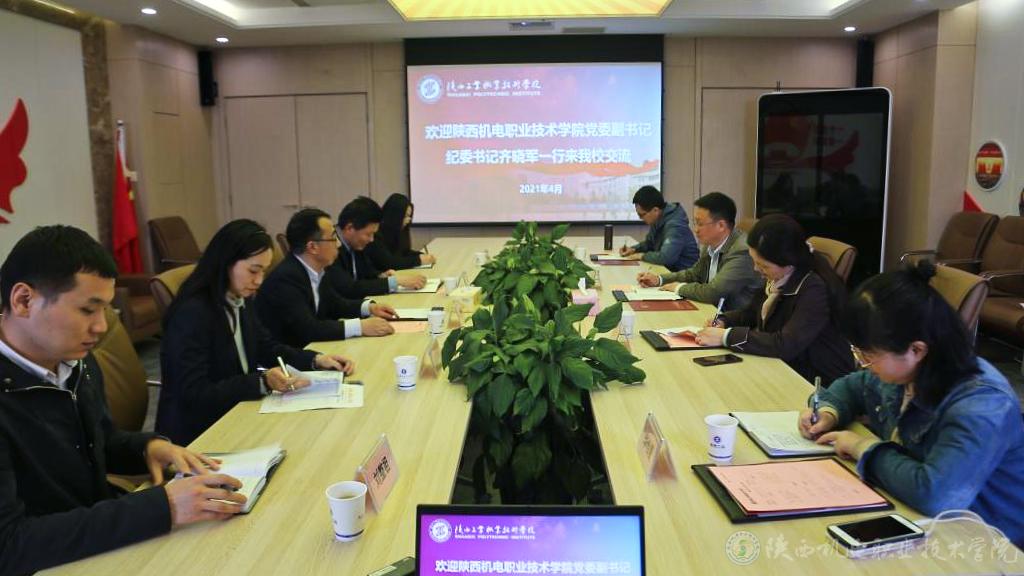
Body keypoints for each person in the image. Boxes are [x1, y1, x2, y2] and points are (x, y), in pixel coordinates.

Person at [0, 225, 248, 575]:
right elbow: (10, 546)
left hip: (96, 544)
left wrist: (148, 448)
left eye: (106, 310)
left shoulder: (75, 361)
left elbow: (98, 441)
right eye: (87, 310)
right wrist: (163, 507)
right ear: (24, 300)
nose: (102, 327)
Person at [799, 261, 1024, 546]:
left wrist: (862, 447)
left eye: (868, 355)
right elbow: (854, 386)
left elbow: (935, 494)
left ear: (916, 349)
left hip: (986, 541)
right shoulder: (908, 370)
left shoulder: (981, 404)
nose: (862, 363)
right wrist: (829, 411)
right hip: (917, 517)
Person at [157, 219, 354, 446]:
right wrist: (261, 382)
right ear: (226, 262)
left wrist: (315, 360)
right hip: (199, 435)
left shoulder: (238, 297)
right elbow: (194, 393)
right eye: (253, 270)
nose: (259, 281)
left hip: (236, 412)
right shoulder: (192, 313)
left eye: (263, 271)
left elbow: (265, 347)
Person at [695, 214, 854, 384]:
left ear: (788, 262)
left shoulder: (814, 289)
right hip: (782, 366)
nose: (756, 269)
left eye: (763, 265)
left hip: (814, 380)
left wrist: (726, 337)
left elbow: (785, 344)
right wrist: (724, 320)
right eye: (755, 261)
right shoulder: (780, 276)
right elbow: (752, 312)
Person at [257, 208, 397, 348]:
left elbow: (335, 304)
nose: (338, 244)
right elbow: (308, 329)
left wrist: (370, 308)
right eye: (333, 238)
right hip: (291, 355)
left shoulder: (317, 270)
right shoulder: (286, 279)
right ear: (313, 247)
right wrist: (359, 327)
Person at [636, 192, 760, 311]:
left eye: (700, 224)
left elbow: (714, 291)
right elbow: (694, 274)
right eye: (695, 223)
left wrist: (678, 288)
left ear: (721, 226)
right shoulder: (711, 244)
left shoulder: (742, 252)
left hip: (731, 319)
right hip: (710, 311)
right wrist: (659, 279)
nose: (695, 229)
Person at [326, 196, 427, 299]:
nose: (371, 240)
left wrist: (380, 275)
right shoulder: (329, 248)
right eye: (368, 234)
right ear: (350, 228)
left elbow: (365, 273)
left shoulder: (354, 243)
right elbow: (350, 288)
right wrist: (394, 282)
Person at [618, 185, 699, 271]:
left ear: (655, 210)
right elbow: (649, 243)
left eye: (642, 215)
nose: (640, 218)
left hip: (683, 274)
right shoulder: (658, 218)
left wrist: (642, 256)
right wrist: (634, 249)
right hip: (669, 270)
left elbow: (666, 258)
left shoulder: (675, 226)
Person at [364, 193, 436, 271]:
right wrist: (419, 260)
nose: (408, 220)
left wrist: (422, 256)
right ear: (394, 216)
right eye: (405, 216)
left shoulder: (398, 230)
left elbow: (404, 252)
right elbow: (390, 263)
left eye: (409, 216)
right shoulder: (375, 234)